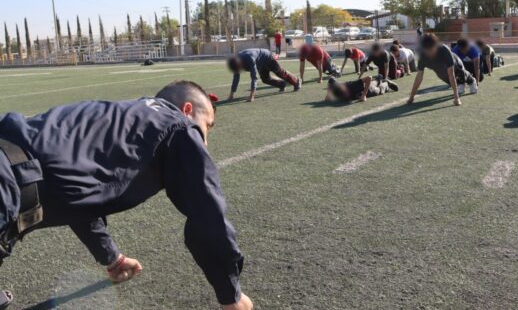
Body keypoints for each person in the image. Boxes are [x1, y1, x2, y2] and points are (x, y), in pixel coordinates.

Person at [0, 81, 254, 310]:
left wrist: (112, 257)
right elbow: (208, 217)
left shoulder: (121, 119)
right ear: (187, 110)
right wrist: (231, 296)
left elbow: (79, 195)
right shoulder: (179, 126)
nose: (206, 141)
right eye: (208, 125)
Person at [408, 33, 478, 106]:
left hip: (455, 63)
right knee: (448, 80)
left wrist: (456, 98)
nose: (429, 53)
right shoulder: (422, 55)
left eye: (431, 50)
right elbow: (419, 77)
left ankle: (472, 80)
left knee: (459, 73)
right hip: (440, 69)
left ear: (436, 46)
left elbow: (452, 75)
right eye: (427, 50)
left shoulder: (444, 50)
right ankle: (460, 83)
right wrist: (411, 97)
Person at [228, 48, 301, 103]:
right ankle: (282, 84)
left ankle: (296, 81)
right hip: (260, 62)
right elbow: (236, 78)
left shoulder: (249, 59)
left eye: (239, 68)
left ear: (240, 63)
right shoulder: (235, 62)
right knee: (265, 79)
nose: (240, 70)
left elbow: (254, 78)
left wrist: (252, 96)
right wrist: (231, 95)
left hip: (267, 57)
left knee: (280, 73)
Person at [325, 75, 399, 103]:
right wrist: (328, 95)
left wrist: (364, 95)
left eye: (346, 91)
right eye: (345, 94)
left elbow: (368, 77)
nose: (347, 93)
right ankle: (379, 78)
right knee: (374, 82)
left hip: (367, 89)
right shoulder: (336, 92)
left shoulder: (353, 85)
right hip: (365, 86)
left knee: (379, 91)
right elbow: (331, 79)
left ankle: (387, 83)